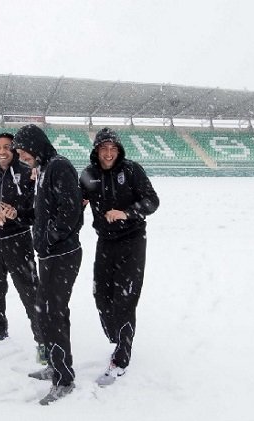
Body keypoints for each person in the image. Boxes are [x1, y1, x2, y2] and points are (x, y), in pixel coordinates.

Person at [79, 127, 159, 386]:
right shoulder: (89, 175)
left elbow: (152, 201)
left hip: (132, 241)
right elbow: (76, 201)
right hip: (105, 242)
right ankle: (117, 336)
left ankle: (122, 356)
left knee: (125, 299)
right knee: (101, 296)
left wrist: (127, 213)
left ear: (119, 150)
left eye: (113, 148)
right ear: (96, 150)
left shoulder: (132, 170)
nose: (109, 153)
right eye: (104, 148)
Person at [12, 124, 83, 405]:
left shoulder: (59, 167)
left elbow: (70, 210)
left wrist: (50, 238)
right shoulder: (43, 170)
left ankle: (64, 379)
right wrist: (19, 214)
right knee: (45, 313)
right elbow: (42, 213)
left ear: (35, 145)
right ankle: (55, 364)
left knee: (53, 314)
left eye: (23, 151)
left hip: (62, 255)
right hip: (49, 255)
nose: (21, 157)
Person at [0, 133, 46, 363]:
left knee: (30, 291)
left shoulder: (27, 173)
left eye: (7, 147)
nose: (2, 151)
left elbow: (36, 212)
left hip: (19, 240)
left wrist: (16, 214)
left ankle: (43, 342)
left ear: (14, 150)